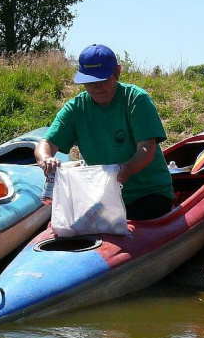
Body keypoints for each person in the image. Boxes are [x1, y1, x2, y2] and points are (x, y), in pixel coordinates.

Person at [35, 44, 174, 220]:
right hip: (103, 196)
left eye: (103, 79)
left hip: (147, 194)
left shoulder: (136, 99)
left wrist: (127, 169)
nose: (97, 87)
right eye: (90, 81)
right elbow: (45, 144)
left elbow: (146, 149)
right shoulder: (75, 109)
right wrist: (46, 159)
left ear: (117, 72)